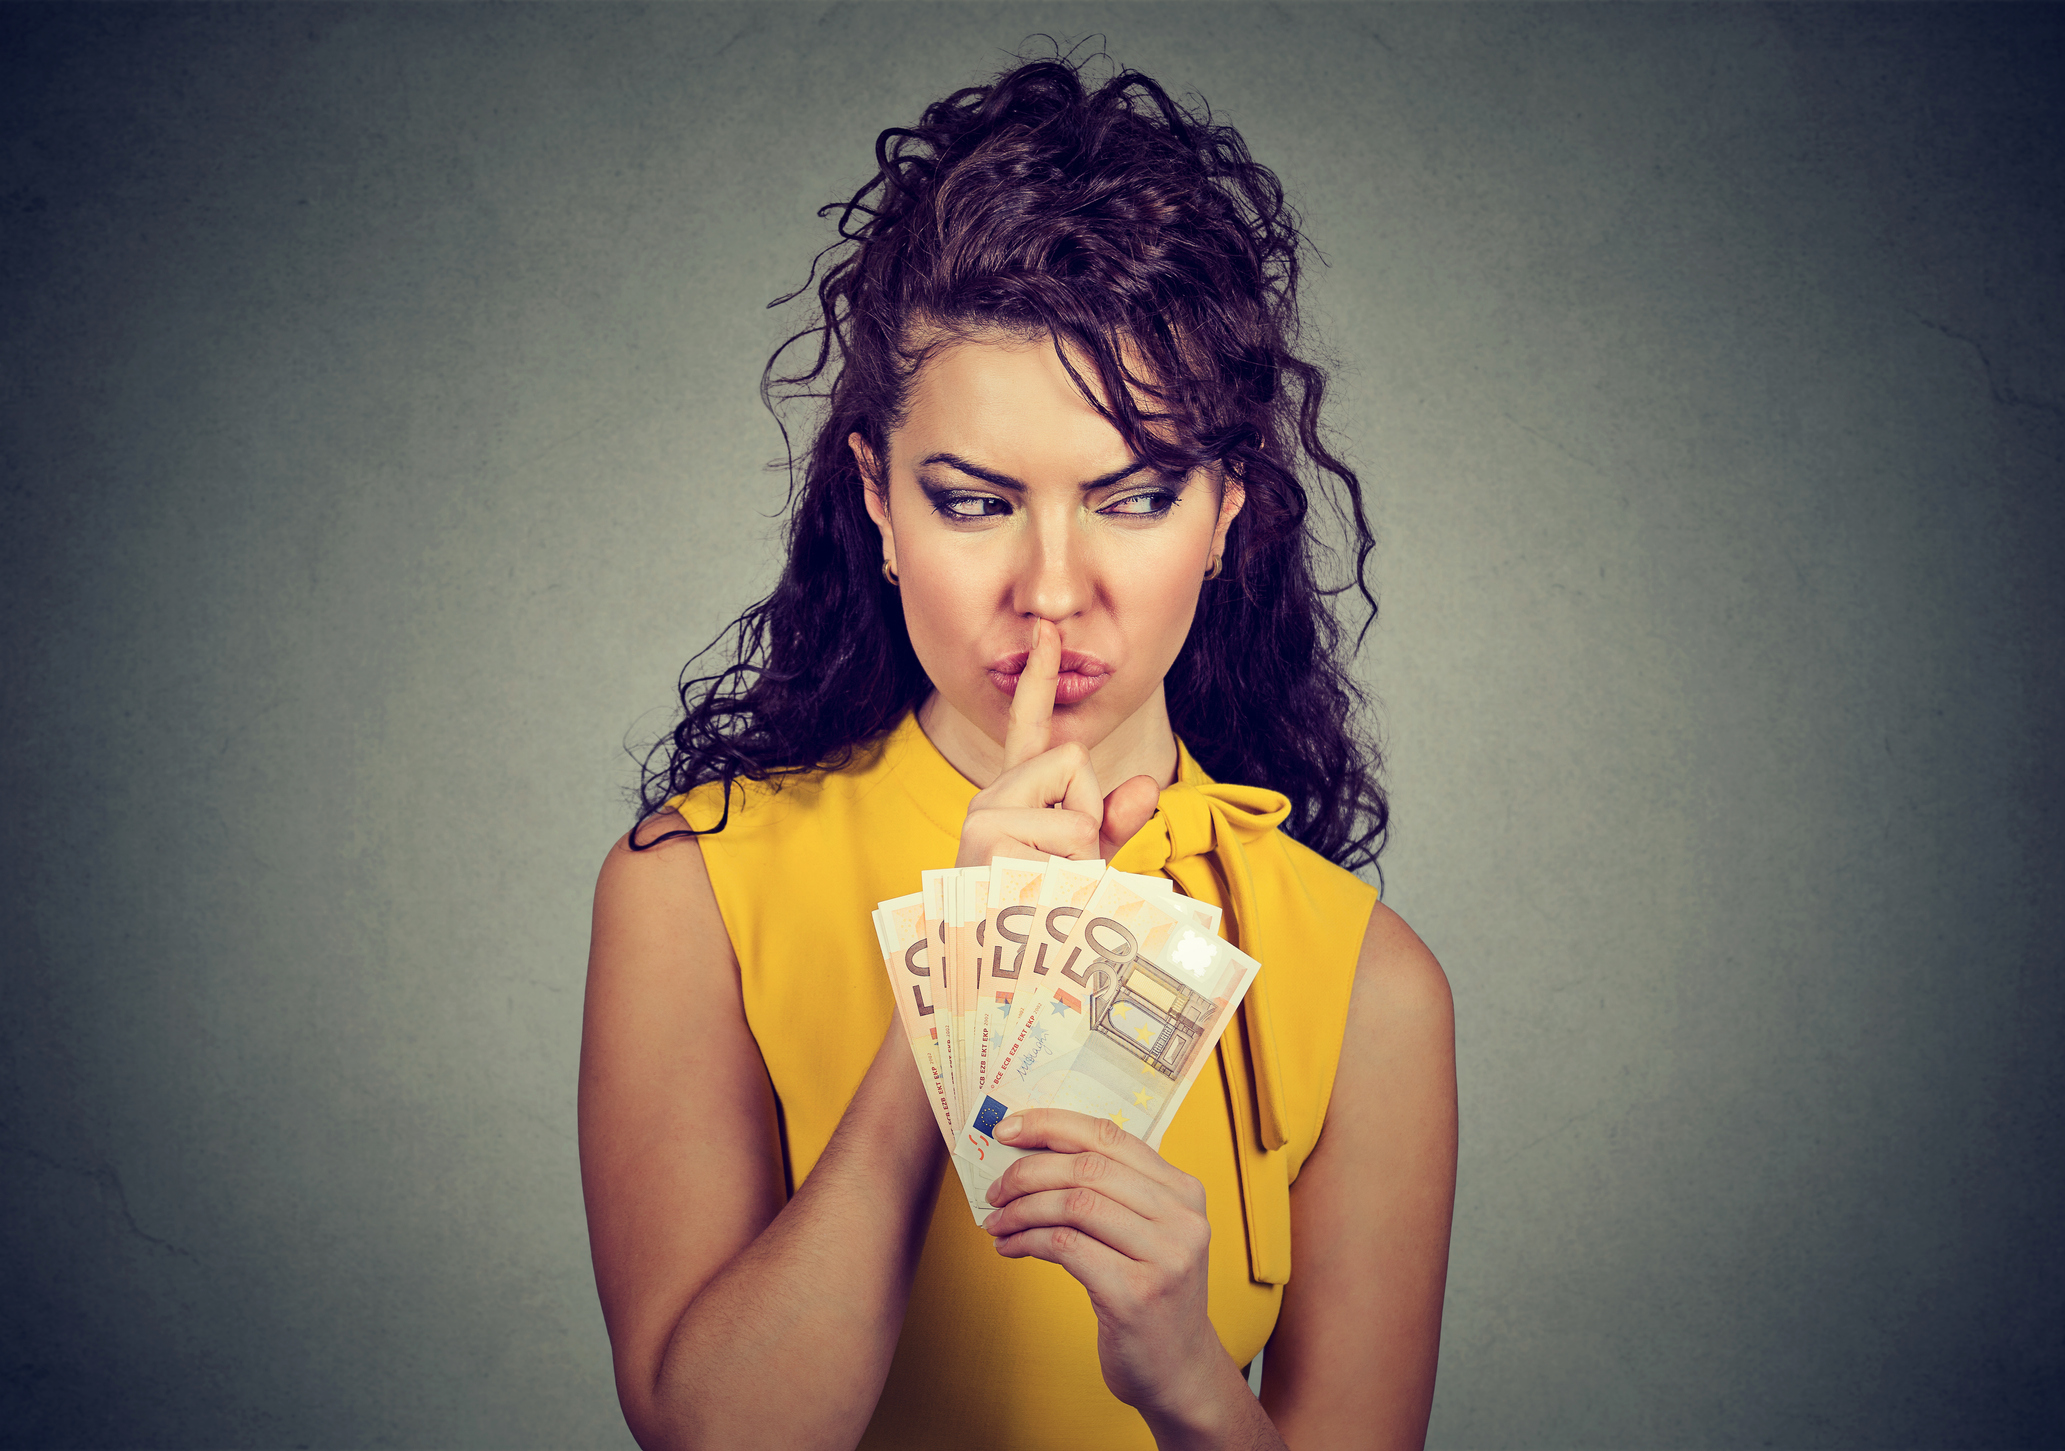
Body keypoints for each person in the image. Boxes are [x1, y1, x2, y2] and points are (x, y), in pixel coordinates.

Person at [579, 55, 1457, 1451]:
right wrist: (954, 1000)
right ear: (874, 498)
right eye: (976, 501)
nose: (1053, 590)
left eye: (1134, 496)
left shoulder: (1366, 981)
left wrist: (1186, 1381)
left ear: (1227, 509)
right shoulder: (693, 886)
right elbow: (717, 1437)